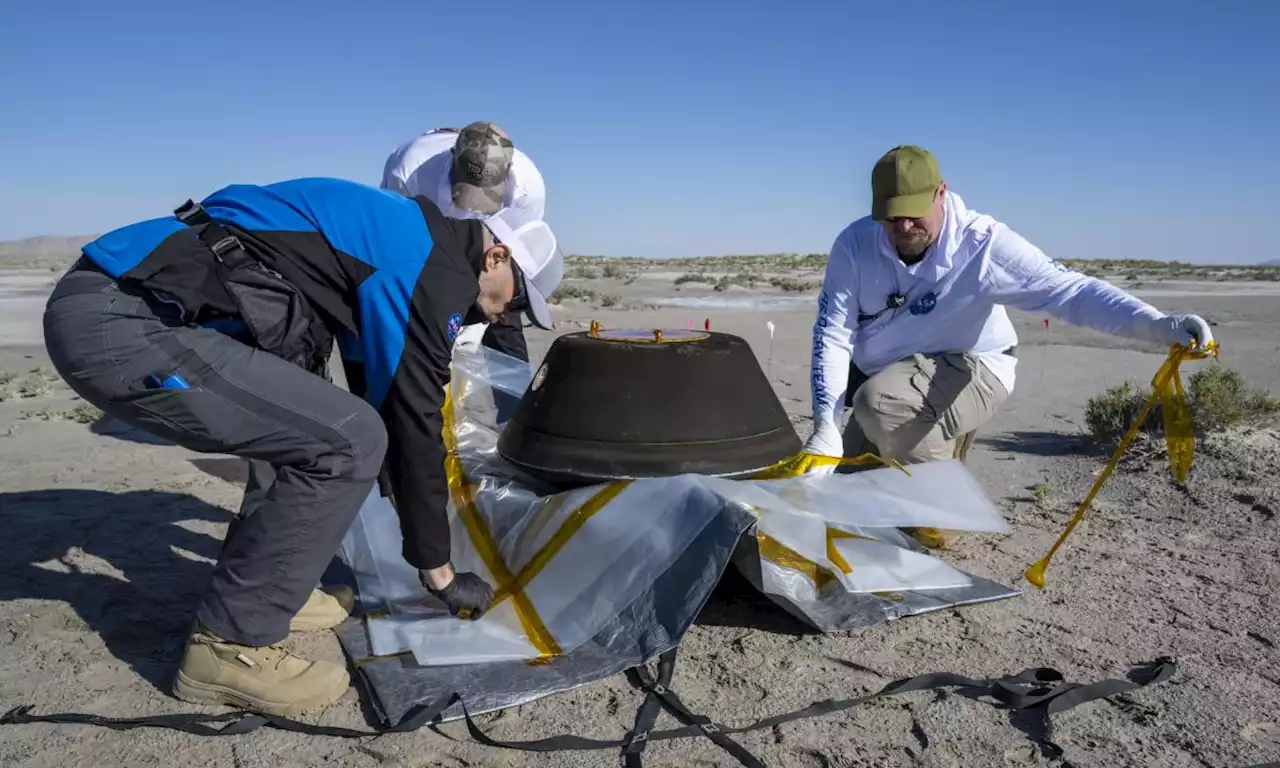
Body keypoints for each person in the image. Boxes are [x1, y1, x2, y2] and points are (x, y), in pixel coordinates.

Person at [41, 177, 564, 716]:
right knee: (349, 440)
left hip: (122, 306)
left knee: (315, 423)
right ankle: (230, 645)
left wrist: (400, 497)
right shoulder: (432, 267)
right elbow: (411, 419)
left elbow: (379, 390)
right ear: (495, 255)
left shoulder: (408, 238)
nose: (508, 317)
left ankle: (268, 588)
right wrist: (439, 572)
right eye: (517, 301)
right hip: (123, 323)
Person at [804, 145, 1214, 469]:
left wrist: (1156, 325)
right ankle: (923, 451)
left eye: (914, 214)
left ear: (941, 193)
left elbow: (1071, 292)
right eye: (892, 218)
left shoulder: (984, 245)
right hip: (892, 374)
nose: (904, 227)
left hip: (973, 365)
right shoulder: (854, 245)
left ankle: (943, 512)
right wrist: (825, 423)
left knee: (878, 407)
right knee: (850, 477)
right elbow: (834, 333)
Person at [381, 121, 546, 372]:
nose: (473, 207)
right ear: (451, 160)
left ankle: (516, 408)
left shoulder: (529, 187)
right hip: (430, 253)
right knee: (421, 341)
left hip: (491, 261)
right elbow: (399, 241)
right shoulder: (408, 169)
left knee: (505, 325)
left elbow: (520, 252)